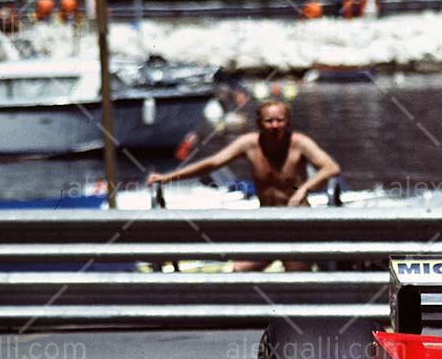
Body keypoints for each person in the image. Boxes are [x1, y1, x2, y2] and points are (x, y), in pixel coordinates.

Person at [146, 100, 341, 269]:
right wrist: (168, 177)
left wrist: (304, 189)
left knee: (295, 278)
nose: (275, 126)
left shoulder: (299, 143)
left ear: (287, 121)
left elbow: (331, 167)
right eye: (269, 121)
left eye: (280, 120)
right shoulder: (249, 144)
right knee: (240, 270)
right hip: (266, 223)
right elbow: (212, 163)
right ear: (259, 123)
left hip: (296, 224)